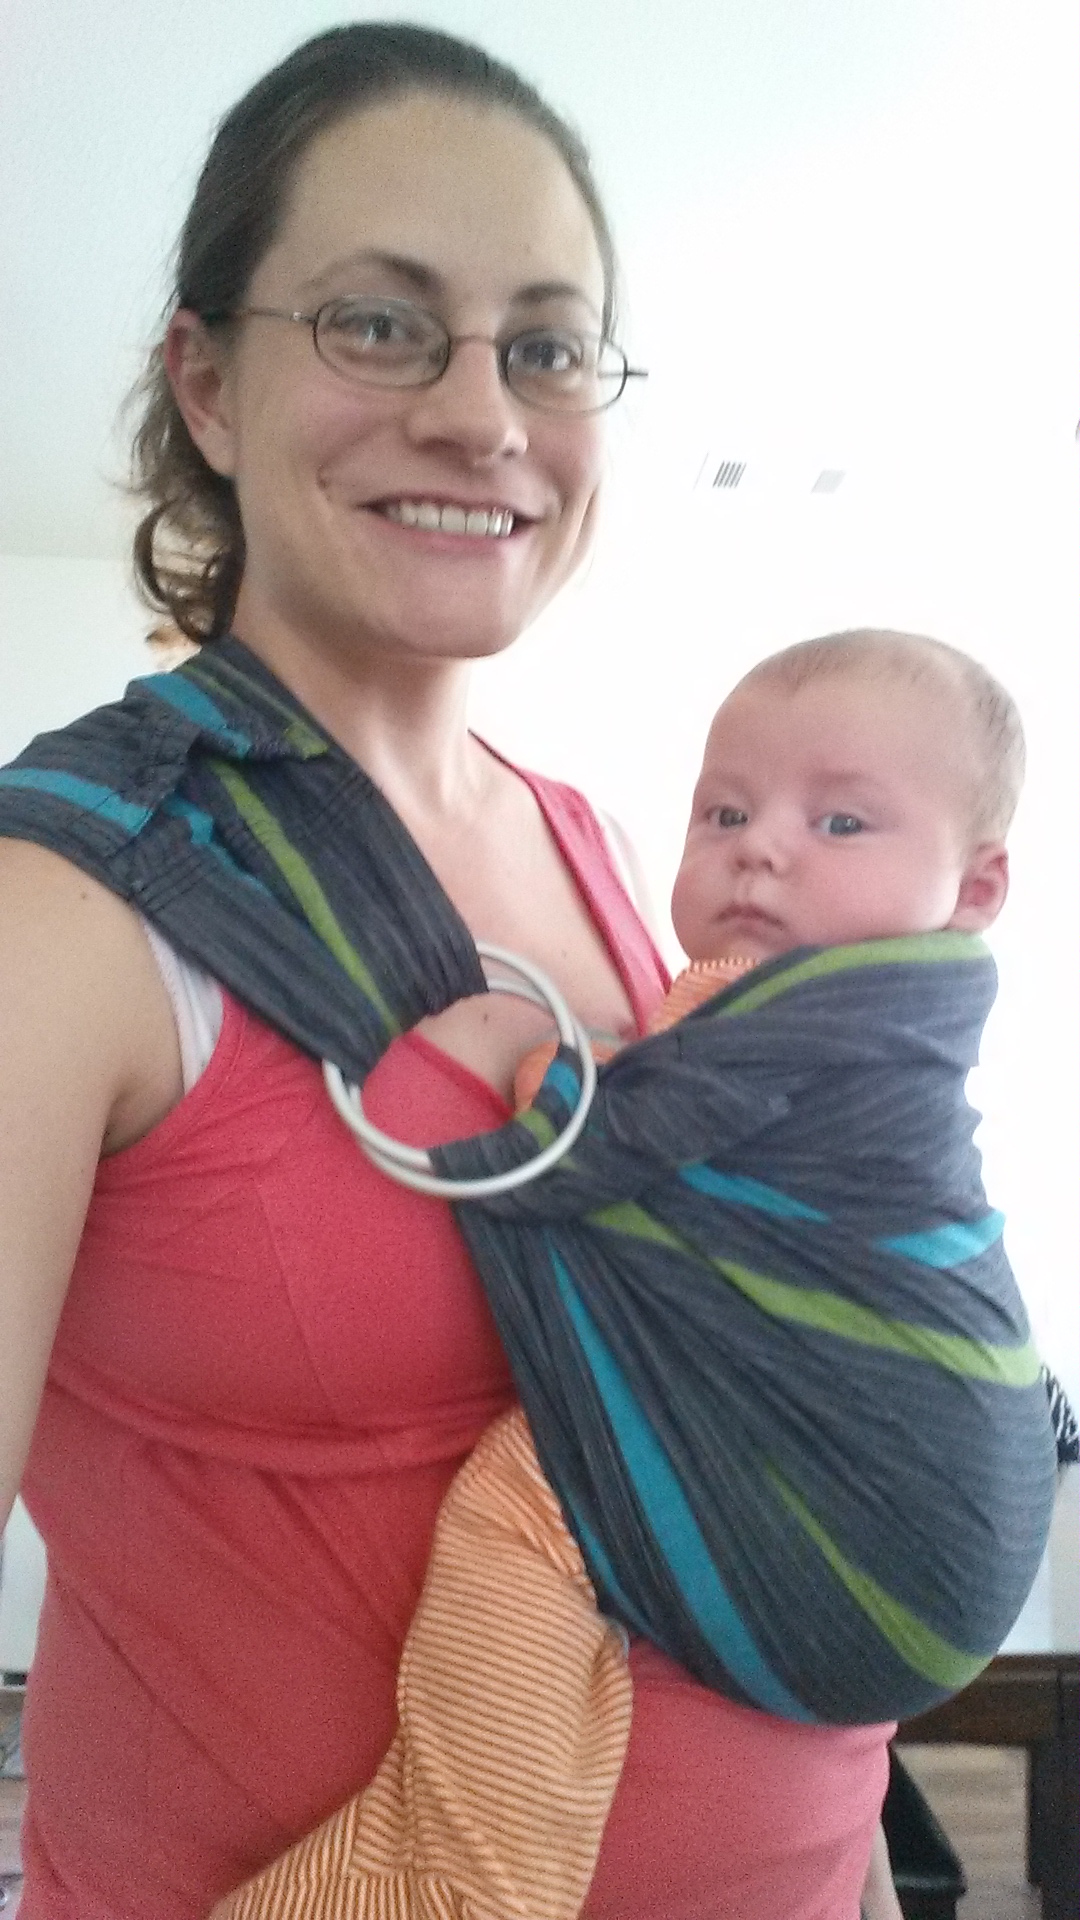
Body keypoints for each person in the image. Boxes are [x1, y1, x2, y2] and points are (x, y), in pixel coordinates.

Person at [0, 25, 905, 1919]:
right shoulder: (60, 905)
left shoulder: (606, 847)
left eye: (547, 347)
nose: (483, 416)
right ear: (206, 383)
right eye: (379, 324)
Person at [207, 628, 1041, 1920]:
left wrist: (533, 1065)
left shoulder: (815, 1017)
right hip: (935, 1547)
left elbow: (578, 1154)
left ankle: (448, 1871)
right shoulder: (830, 1013)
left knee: (525, 1497)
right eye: (726, 812)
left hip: (883, 1539)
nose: (762, 849)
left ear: (976, 887)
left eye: (840, 822)